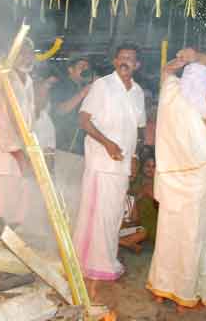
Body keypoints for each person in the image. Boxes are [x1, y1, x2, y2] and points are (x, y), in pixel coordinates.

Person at [147, 48, 206, 311]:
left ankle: (165, 290)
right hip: (193, 185)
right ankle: (180, 293)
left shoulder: (173, 97)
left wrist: (181, 62)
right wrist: (199, 58)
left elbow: (166, 74)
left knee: (173, 237)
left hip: (180, 185)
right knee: (189, 239)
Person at [72, 42, 145, 295]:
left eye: (131, 58)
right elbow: (83, 120)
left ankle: (106, 260)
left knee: (113, 216)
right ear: (115, 61)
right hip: (101, 162)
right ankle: (90, 264)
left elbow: (137, 128)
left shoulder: (138, 92)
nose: (126, 61)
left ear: (137, 65)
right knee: (97, 214)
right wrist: (107, 143)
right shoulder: (103, 85)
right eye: (122, 57)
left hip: (123, 164)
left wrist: (134, 155)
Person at [0, 39, 36, 225]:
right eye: (21, 53)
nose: (27, 57)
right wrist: (18, 153)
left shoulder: (29, 81)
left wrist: (28, 152)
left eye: (30, 53)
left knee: (18, 215)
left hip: (24, 157)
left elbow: (28, 121)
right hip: (4, 158)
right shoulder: (2, 80)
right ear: (11, 55)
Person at [50, 55, 91, 154]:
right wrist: (82, 94)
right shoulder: (60, 85)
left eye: (87, 68)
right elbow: (59, 110)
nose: (85, 70)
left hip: (81, 145)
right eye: (81, 67)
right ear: (70, 70)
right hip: (64, 144)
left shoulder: (84, 87)